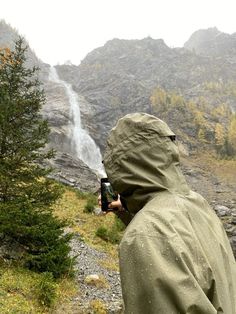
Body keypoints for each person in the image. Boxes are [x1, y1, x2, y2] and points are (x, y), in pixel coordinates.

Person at [102, 112, 236, 314]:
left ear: (119, 167)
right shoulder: (198, 203)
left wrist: (141, 219)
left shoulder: (144, 234)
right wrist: (129, 211)